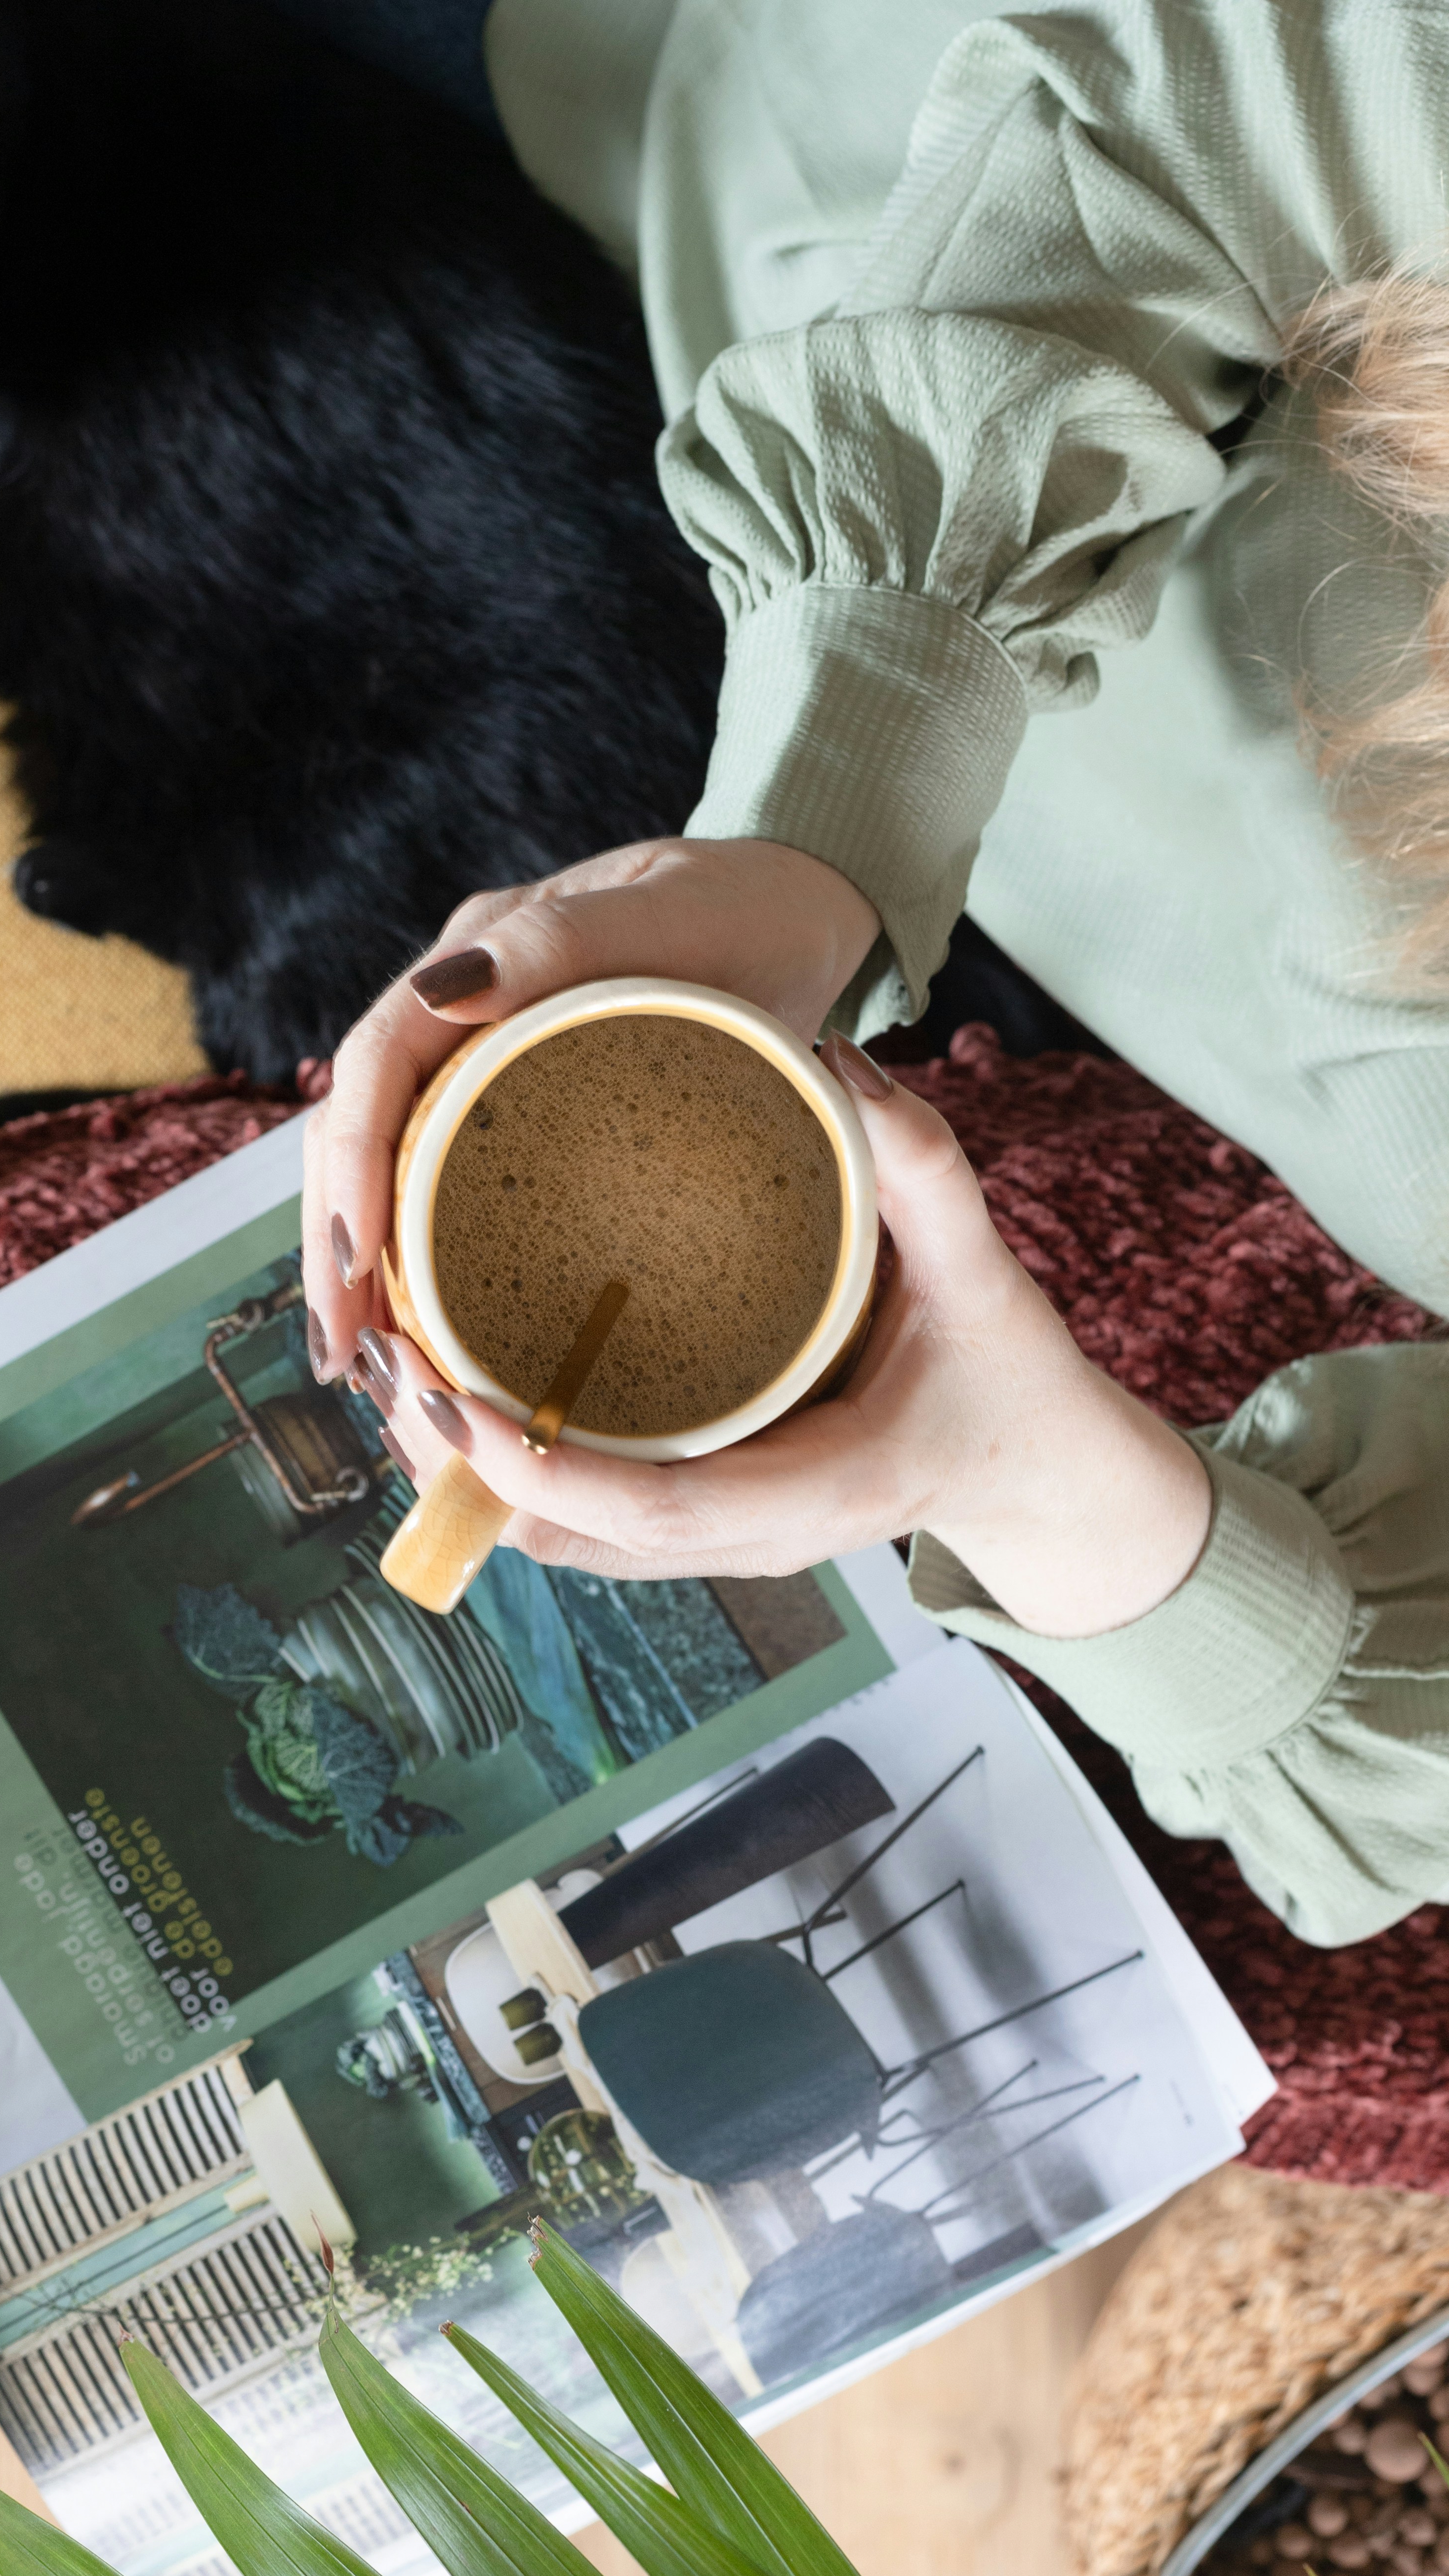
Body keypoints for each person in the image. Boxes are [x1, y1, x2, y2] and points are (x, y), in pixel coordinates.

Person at [294, 0, 1449, 1946]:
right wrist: (821, 805)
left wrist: (1006, 1457)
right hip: (760, 118)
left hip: (630, 331)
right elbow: (1213, 86)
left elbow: (1357, 1788)